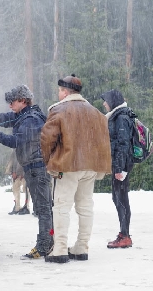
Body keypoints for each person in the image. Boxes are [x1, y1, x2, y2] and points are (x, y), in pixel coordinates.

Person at [40, 74, 111, 263]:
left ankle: (60, 249)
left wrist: (50, 161)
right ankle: (81, 246)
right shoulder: (96, 113)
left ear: (65, 91)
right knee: (86, 207)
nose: (58, 93)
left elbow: (47, 139)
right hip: (90, 166)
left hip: (68, 165)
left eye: (60, 90)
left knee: (62, 207)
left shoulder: (59, 110)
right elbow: (104, 141)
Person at [0, 84, 53, 259]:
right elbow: (4, 117)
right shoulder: (23, 116)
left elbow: (15, 141)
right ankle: (48, 241)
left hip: (37, 168)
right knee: (44, 208)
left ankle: (44, 246)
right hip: (32, 167)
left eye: (12, 101)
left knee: (43, 209)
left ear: (23, 101)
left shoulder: (31, 119)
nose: (10, 105)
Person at [100, 88, 135, 249]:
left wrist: (120, 168)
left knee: (120, 198)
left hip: (122, 165)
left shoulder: (121, 117)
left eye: (106, 100)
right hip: (120, 164)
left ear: (113, 101)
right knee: (118, 197)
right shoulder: (118, 116)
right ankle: (124, 233)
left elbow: (123, 144)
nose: (104, 103)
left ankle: (125, 235)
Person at [5, 151, 31, 215]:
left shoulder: (27, 149)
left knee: (26, 190)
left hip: (26, 173)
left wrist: (24, 174)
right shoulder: (15, 151)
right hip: (16, 174)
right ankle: (17, 207)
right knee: (15, 190)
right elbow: (13, 161)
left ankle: (26, 206)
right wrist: (13, 172)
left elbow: (27, 162)